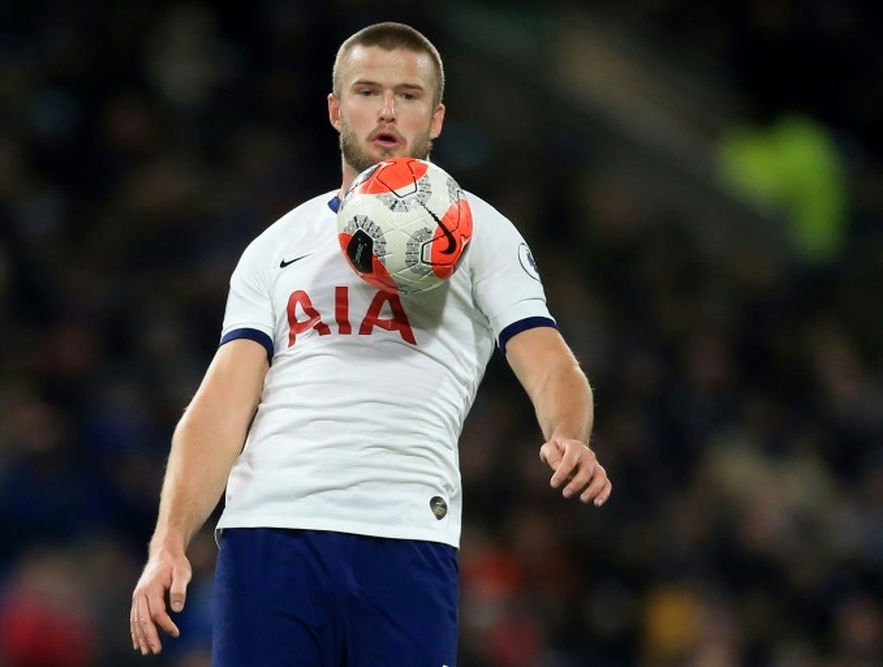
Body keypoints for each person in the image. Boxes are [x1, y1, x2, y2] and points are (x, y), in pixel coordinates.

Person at [130, 21, 612, 666]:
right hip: (271, 530)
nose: (387, 111)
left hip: (406, 532)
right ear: (335, 108)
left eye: (409, 96)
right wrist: (168, 541)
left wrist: (569, 432)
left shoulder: (482, 235)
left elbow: (550, 362)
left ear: (437, 119)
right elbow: (220, 406)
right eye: (367, 91)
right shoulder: (275, 248)